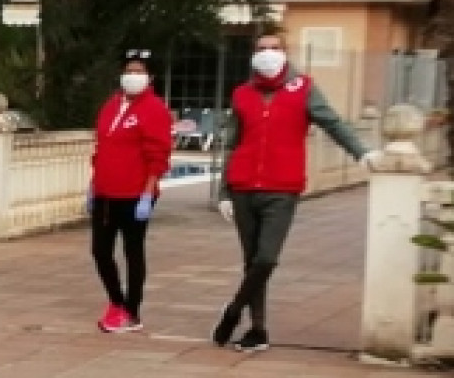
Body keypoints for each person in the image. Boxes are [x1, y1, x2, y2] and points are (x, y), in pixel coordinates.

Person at [212, 30, 381, 352]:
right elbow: (232, 144)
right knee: (251, 261)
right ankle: (258, 330)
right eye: (261, 48)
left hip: (281, 189)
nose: (268, 53)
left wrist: (362, 152)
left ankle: (233, 311)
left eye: (274, 48)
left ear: (285, 53)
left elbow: (332, 123)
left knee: (265, 260)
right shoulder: (242, 94)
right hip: (243, 187)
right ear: (253, 54)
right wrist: (223, 192)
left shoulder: (303, 88)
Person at [88, 49, 172, 333]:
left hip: (135, 194)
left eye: (139, 72)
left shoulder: (155, 109)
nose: (132, 76)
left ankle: (132, 311)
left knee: (133, 252)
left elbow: (158, 155)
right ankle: (116, 300)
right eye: (128, 71)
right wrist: (92, 186)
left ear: (150, 77)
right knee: (100, 251)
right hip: (105, 193)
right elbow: (100, 148)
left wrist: (148, 193)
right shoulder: (111, 105)